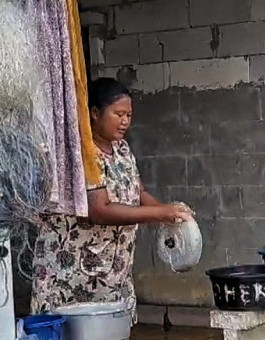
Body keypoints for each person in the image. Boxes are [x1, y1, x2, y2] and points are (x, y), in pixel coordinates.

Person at [30, 77, 192, 324]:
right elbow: (99, 210)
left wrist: (173, 213)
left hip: (113, 274)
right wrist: (159, 214)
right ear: (94, 113)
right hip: (73, 274)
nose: (125, 121)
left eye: (129, 115)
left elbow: (139, 195)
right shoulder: (82, 154)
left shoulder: (122, 149)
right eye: (119, 114)